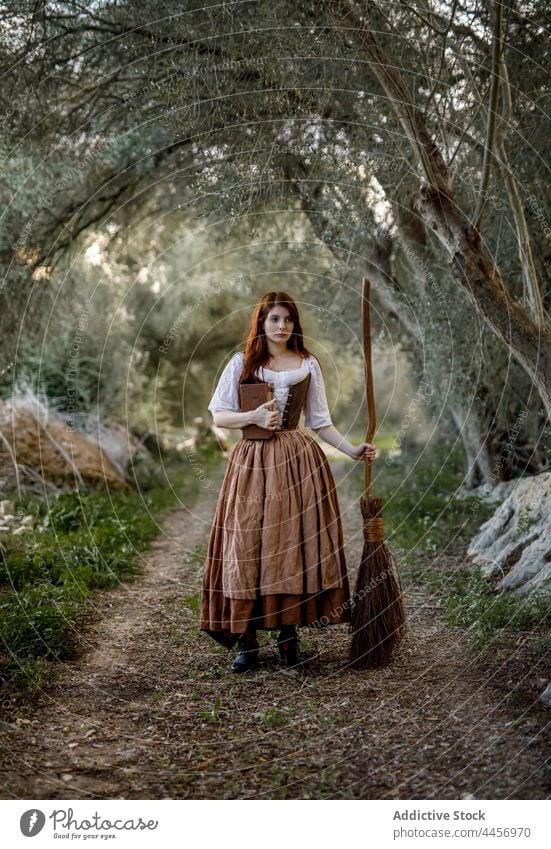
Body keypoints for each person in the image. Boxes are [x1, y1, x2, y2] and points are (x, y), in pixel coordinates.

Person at [199, 291, 376, 672]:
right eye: (274, 319)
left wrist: (352, 450)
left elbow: (320, 422)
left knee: (290, 544)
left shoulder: (308, 364)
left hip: (297, 460)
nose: (281, 326)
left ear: (294, 324)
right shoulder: (242, 362)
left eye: (288, 319)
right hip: (252, 461)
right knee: (248, 543)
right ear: (261, 322)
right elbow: (219, 416)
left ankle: (288, 638)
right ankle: (247, 641)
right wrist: (255, 419)